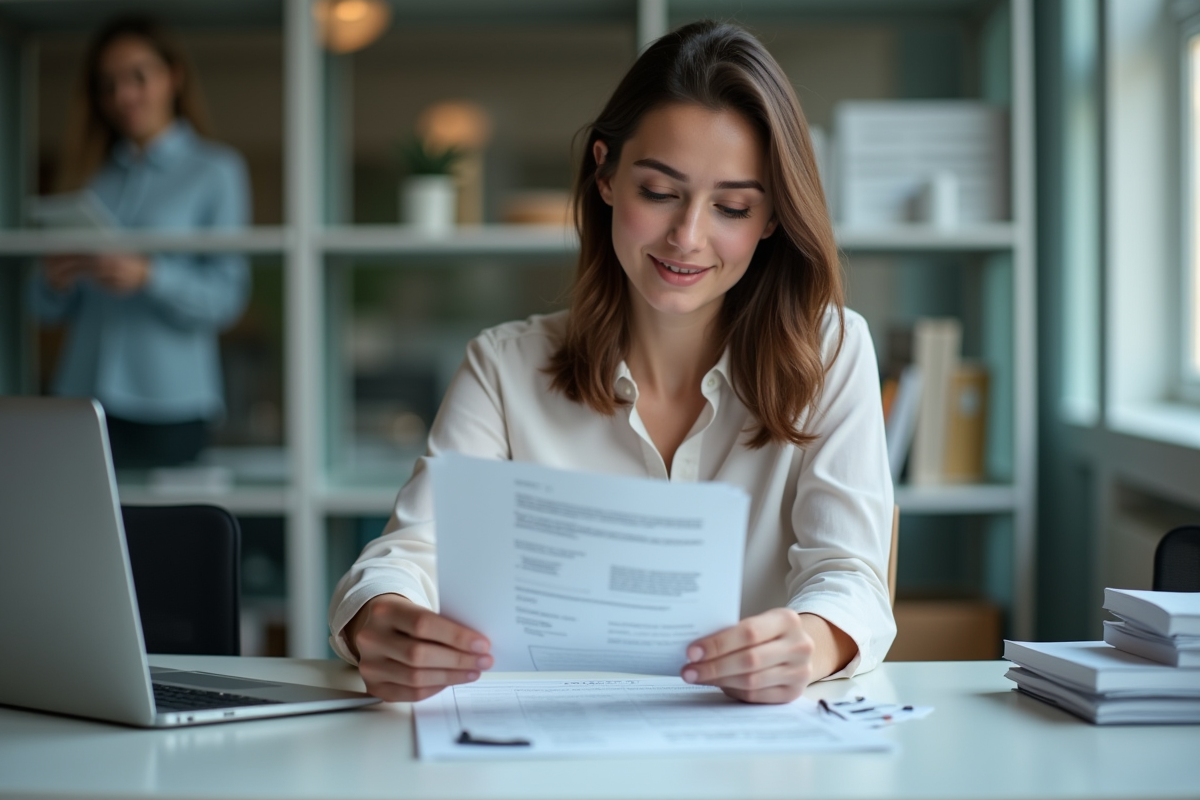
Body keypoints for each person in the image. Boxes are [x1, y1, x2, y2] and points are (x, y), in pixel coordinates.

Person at [329, 20, 895, 705]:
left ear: (772, 218)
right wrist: (381, 621)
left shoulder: (830, 352)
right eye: (659, 192)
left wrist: (810, 644)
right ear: (605, 173)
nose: (687, 238)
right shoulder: (505, 368)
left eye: (733, 206)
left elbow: (852, 575)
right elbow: (409, 553)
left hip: (754, 752)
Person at [29, 15, 250, 469]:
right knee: (79, 536)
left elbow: (226, 299)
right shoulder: (88, 176)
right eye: (107, 84)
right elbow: (44, 310)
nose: (122, 96)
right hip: (81, 398)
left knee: (163, 539)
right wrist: (52, 281)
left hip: (170, 403)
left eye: (137, 77)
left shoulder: (216, 171)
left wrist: (150, 275)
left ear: (174, 76)